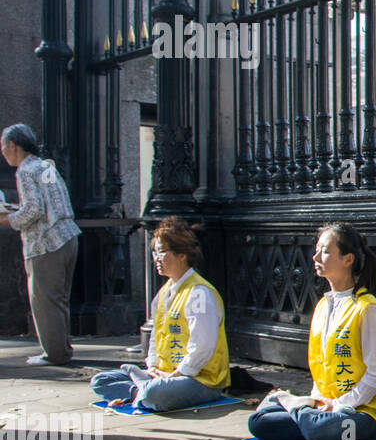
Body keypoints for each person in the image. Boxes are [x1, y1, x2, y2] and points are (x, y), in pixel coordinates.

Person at [248, 222, 376, 440]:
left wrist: (340, 405)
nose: (316, 256)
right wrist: (321, 402)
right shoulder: (323, 305)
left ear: (348, 259)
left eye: (325, 251)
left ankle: (294, 406)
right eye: (317, 249)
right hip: (326, 408)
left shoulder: (367, 310)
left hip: (370, 414)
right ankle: (306, 413)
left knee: (324, 431)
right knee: (259, 423)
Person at [89, 217, 231, 410]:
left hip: (198, 379)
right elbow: (157, 337)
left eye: (162, 252)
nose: (156, 258)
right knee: (100, 380)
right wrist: (153, 366)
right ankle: (142, 388)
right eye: (155, 252)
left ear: (182, 254)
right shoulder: (163, 293)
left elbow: (203, 346)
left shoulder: (198, 293)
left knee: (154, 393)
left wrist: (177, 375)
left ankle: (141, 390)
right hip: (163, 375)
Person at [0, 124, 80, 366]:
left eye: (3, 147)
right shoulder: (46, 165)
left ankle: (54, 354)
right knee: (59, 300)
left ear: (13, 145)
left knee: (44, 300)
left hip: (45, 243)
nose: (3, 153)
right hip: (67, 237)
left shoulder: (25, 171)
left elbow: (35, 209)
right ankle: (62, 349)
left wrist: (6, 218)